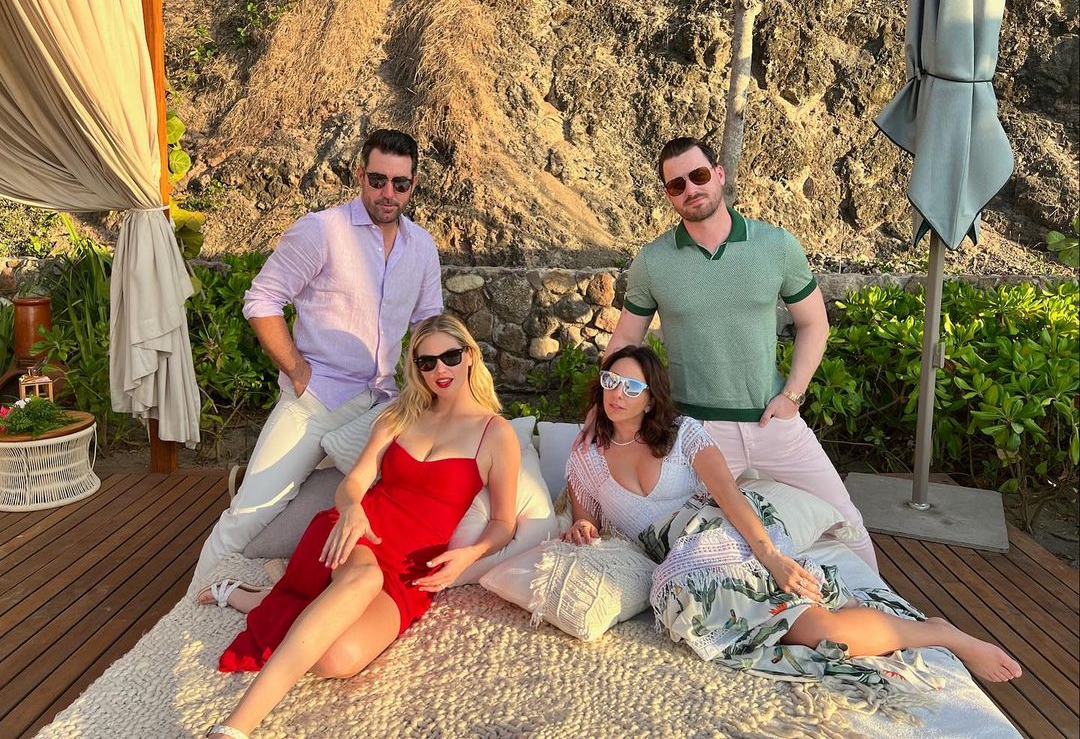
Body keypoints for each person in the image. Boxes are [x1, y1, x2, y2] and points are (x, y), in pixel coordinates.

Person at [564, 346, 1021, 696]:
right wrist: (582, 527)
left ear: (651, 399)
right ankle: (935, 632)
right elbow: (586, 519)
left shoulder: (685, 433)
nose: (617, 394)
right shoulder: (586, 454)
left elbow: (729, 496)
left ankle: (943, 635)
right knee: (819, 634)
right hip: (682, 571)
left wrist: (772, 557)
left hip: (728, 536)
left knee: (820, 624)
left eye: (632, 387)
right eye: (610, 381)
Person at [203, 314, 521, 739]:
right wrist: (351, 507)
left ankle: (262, 597)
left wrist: (471, 554)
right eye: (427, 362)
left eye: (449, 356)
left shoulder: (497, 434)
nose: (440, 370)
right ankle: (233, 727)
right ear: (416, 368)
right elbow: (353, 483)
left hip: (410, 568)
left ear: (470, 356)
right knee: (363, 579)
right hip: (356, 532)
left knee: (337, 658)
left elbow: (503, 522)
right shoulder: (400, 415)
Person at [601, 136, 878, 570]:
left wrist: (793, 395)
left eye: (698, 175)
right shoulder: (653, 262)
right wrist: (599, 411)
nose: (691, 189)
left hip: (774, 423)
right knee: (686, 543)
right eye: (677, 184)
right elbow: (624, 342)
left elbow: (814, 323)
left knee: (846, 522)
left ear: (719, 174)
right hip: (697, 433)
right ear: (668, 195)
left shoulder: (776, 246)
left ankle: (880, 606)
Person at [193, 129, 444, 586]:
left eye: (400, 184)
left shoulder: (422, 248)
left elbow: (429, 327)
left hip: (383, 402)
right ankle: (193, 604)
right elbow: (262, 300)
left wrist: (436, 395)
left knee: (414, 492)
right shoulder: (322, 230)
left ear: (414, 184)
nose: (388, 193)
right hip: (317, 399)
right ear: (359, 175)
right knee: (250, 512)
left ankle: (350, 591)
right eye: (378, 180)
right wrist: (298, 371)